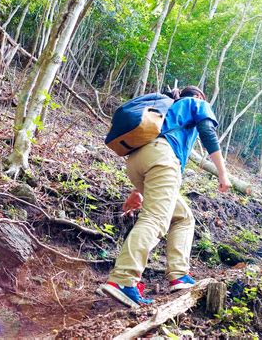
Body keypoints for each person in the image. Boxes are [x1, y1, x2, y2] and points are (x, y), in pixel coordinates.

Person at [98, 86, 231, 308]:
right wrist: (222, 173)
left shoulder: (166, 109)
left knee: (183, 217)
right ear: (198, 96)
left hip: (136, 160)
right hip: (162, 158)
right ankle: (123, 279)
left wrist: (138, 191)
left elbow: (152, 148)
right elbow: (208, 132)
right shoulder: (195, 103)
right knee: (155, 219)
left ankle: (179, 275)